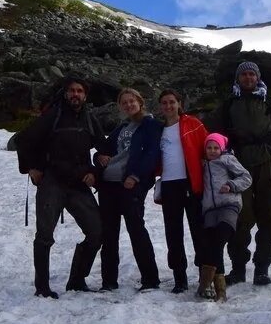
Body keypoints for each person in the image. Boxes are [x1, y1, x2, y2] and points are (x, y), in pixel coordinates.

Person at [204, 60, 271, 286]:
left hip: (266, 165)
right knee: (241, 218)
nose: (248, 78)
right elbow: (207, 128)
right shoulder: (230, 103)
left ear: (257, 77)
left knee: (268, 216)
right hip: (239, 168)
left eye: (252, 74)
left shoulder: (268, 101)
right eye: (244, 75)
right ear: (238, 79)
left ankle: (262, 268)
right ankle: (238, 268)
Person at [15, 78, 103, 298]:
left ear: (85, 96)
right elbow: (24, 139)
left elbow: (103, 149)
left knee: (96, 233)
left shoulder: (90, 119)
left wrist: (95, 173)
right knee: (44, 235)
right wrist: (31, 168)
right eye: (72, 91)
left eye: (79, 91)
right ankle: (42, 287)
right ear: (65, 94)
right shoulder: (52, 116)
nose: (75, 94)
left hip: (78, 184)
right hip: (52, 182)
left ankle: (76, 280)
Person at [94, 88, 163, 291]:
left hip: (130, 184)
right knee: (109, 233)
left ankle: (150, 279)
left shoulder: (150, 125)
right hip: (108, 184)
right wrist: (99, 158)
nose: (128, 105)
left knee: (136, 230)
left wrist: (136, 176)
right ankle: (108, 281)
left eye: (132, 101)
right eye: (124, 103)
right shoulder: (120, 127)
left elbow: (152, 154)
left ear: (140, 102)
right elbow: (102, 151)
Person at [155, 89, 207, 293]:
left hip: (191, 182)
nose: (168, 106)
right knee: (173, 232)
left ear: (179, 103)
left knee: (198, 229)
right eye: (164, 103)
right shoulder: (158, 130)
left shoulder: (192, 124)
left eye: (172, 102)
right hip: (169, 184)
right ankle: (179, 276)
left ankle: (204, 272)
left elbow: (208, 146)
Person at [197, 132, 252, 302]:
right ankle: (220, 290)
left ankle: (205, 283)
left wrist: (231, 185)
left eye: (216, 148)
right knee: (214, 246)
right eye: (209, 147)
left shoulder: (228, 160)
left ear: (222, 149)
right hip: (210, 209)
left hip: (229, 205)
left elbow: (246, 177)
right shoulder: (203, 164)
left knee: (221, 237)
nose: (212, 151)